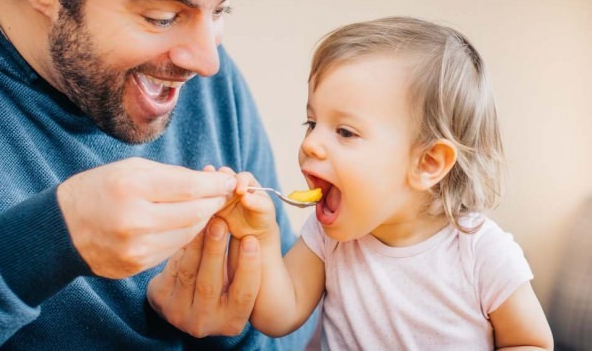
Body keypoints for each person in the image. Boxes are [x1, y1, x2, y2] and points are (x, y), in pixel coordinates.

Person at [0, 0, 316, 349]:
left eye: (221, 9)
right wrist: (51, 239)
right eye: (163, 17)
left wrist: (231, 327)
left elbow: (298, 323)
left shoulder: (203, 78)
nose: (208, 63)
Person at [217, 17, 554, 350]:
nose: (310, 144)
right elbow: (277, 316)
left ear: (428, 163)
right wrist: (260, 235)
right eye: (312, 122)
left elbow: (532, 343)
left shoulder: (480, 251)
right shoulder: (327, 238)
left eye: (345, 132)